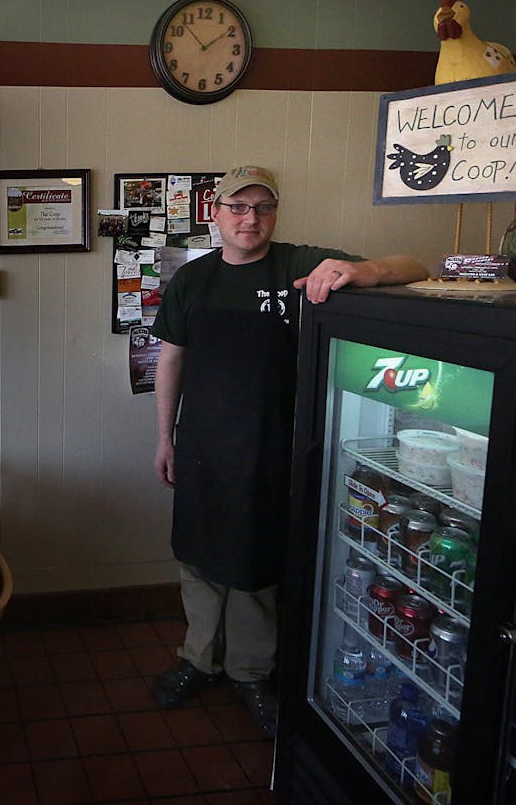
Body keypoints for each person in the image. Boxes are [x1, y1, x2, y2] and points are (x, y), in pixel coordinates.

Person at [148, 166, 427, 735]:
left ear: (275, 214)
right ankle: (199, 660)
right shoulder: (191, 280)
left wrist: (360, 271)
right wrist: (163, 437)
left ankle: (252, 671)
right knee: (197, 558)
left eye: (263, 208)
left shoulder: (300, 265)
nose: (250, 219)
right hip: (200, 442)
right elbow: (170, 360)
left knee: (255, 561)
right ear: (215, 211)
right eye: (238, 207)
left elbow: (415, 268)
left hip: (273, 444)